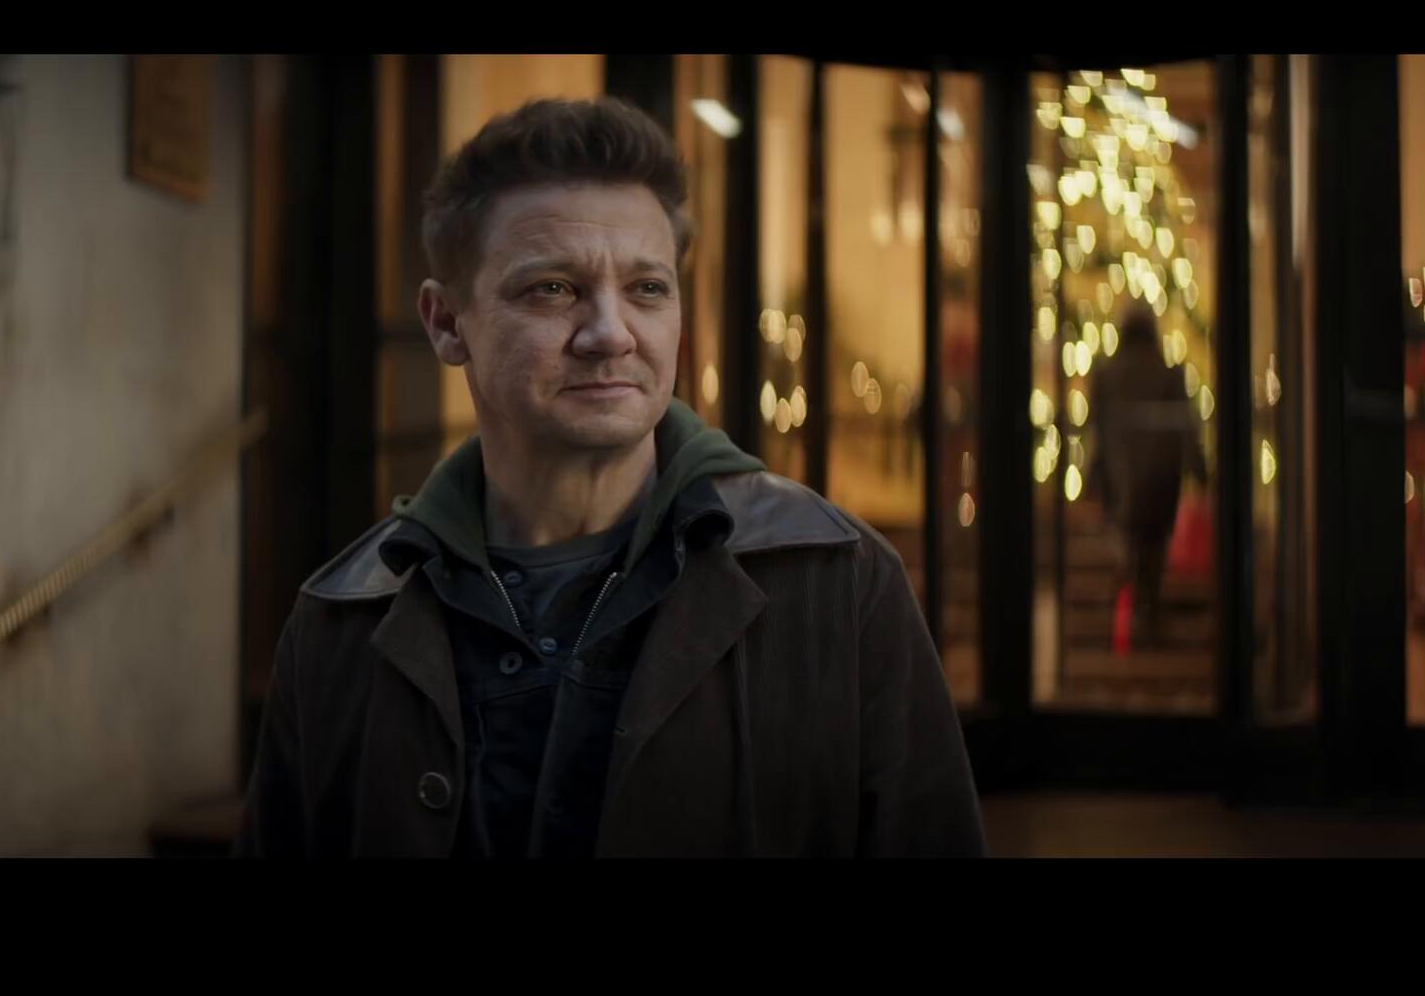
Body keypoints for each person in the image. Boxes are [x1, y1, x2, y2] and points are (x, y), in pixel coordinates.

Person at [235, 97, 984, 858]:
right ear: (447, 323)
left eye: (647, 289)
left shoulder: (834, 582)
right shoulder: (341, 621)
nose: (610, 334)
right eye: (552, 289)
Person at [1087, 304, 1208, 647]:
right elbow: (1185, 427)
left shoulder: (1106, 374)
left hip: (1121, 480)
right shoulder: (1169, 374)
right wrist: (1199, 470)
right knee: (1153, 550)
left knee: (1129, 544)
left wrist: (1095, 477)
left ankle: (1129, 613)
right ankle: (1148, 613)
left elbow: (1099, 431)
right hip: (1161, 480)